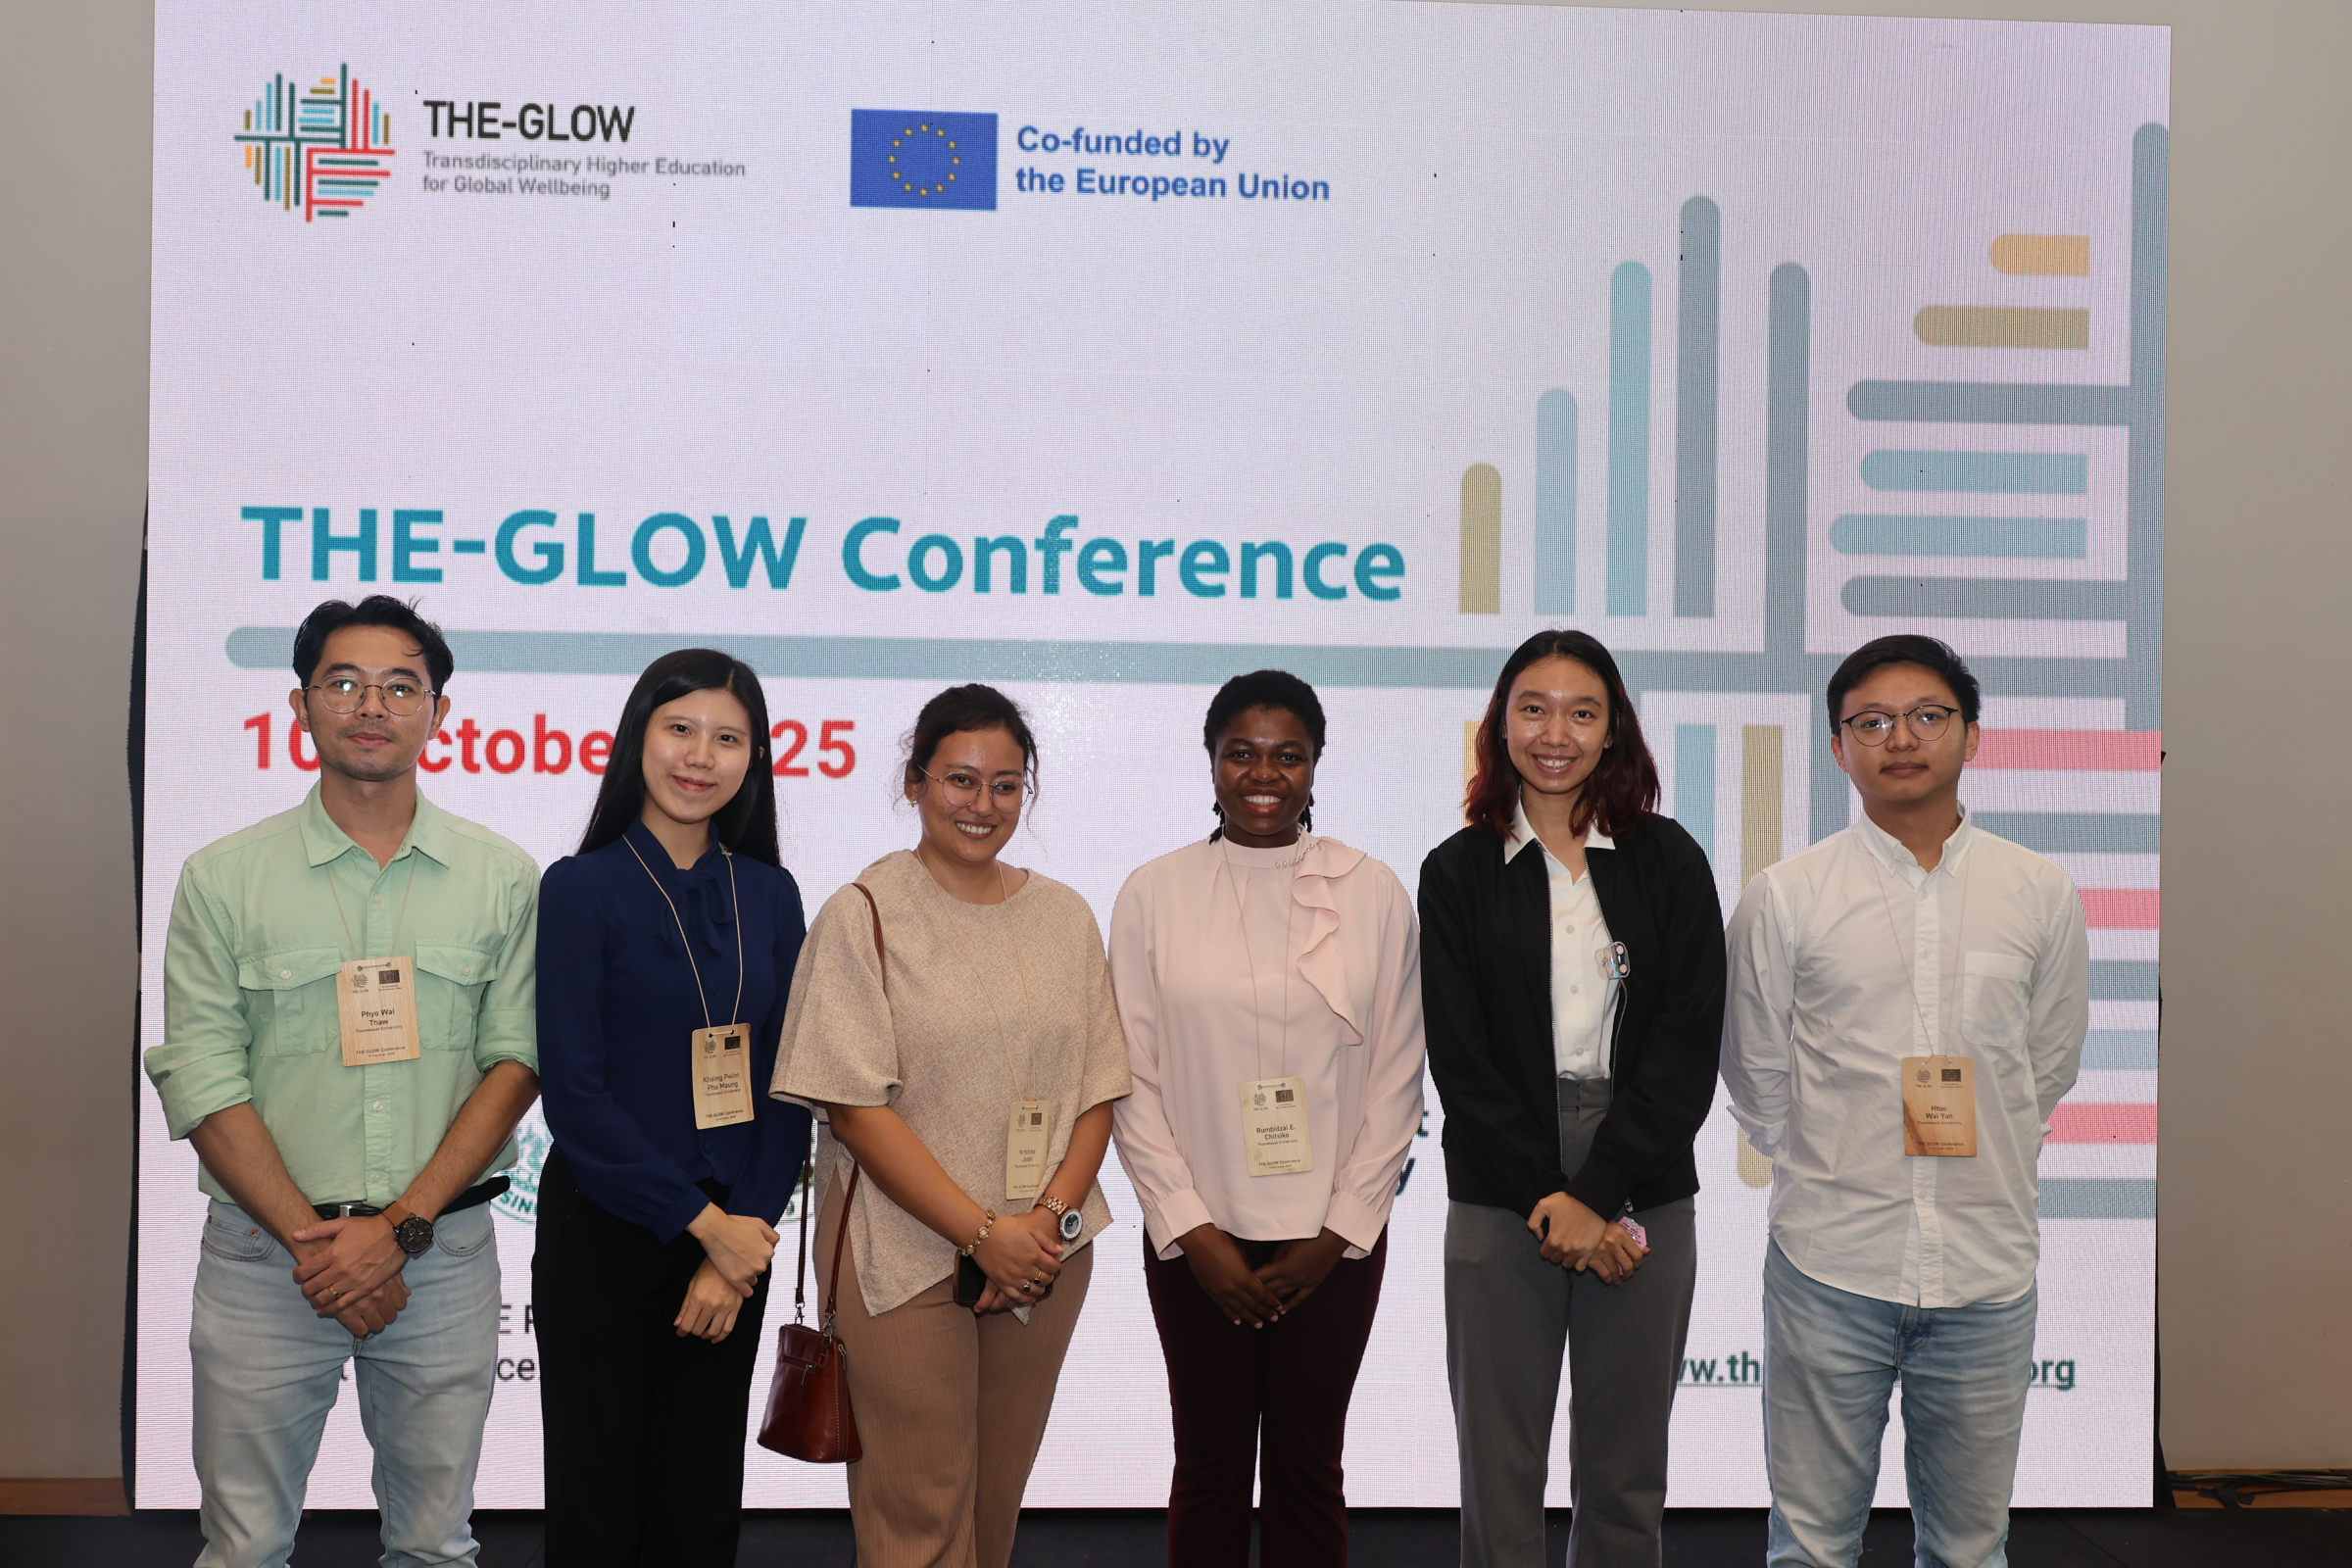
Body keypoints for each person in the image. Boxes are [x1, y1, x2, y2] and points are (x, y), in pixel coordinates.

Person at [145, 596, 540, 1568]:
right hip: (266, 1261)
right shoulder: (222, 877)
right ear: (300, 704)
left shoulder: (503, 878)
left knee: (436, 1547)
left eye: (401, 686)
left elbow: (518, 1061)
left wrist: (397, 1231)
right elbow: (201, 1073)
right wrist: (318, 1247)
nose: (372, 705)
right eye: (344, 683)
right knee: (243, 1549)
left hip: (438, 1257)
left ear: (438, 712)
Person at [1722, 634, 2088, 1568]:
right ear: (1837, 748)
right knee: (1810, 1548)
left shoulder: (2040, 892)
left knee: (1969, 1550)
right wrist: (1832, 1159)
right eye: (1872, 722)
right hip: (1830, 1262)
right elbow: (1756, 1072)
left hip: (1985, 1270)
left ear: (1973, 735)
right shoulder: (1787, 895)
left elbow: (2045, 1067)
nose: (1901, 739)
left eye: (1928, 716)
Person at [770, 683, 1132, 1568]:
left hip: (1043, 1253)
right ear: (916, 781)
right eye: (961, 780)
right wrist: (981, 1235)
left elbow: (1098, 1089)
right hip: (901, 1252)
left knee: (992, 1512)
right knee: (920, 1521)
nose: (983, 804)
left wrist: (1042, 1227)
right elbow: (855, 1109)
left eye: (1006, 785)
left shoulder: (1065, 914)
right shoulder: (865, 913)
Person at [1419, 628, 1726, 1568]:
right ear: (1500, 724)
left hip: (1641, 1177)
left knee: (1627, 1475)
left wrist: (1597, 1196)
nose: (1557, 734)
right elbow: (1462, 1062)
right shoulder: (1457, 870)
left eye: (1582, 713)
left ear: (1613, 730)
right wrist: (1549, 1198)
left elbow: (1686, 1046)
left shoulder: (1669, 860)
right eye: (1535, 709)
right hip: (1501, 1183)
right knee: (1498, 1470)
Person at [1109, 670, 1426, 1568]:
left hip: (1332, 1244)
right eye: (1241, 753)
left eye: (1288, 756)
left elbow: (1399, 1076)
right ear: (1210, 760)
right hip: (1196, 1241)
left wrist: (1338, 1234)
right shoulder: (1153, 891)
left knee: (1308, 1470)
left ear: (1316, 765)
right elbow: (1130, 1078)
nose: (1263, 775)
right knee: (1207, 1469)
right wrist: (1191, 1229)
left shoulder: (1373, 890)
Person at [532, 649, 813, 1566]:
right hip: (606, 1228)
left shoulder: (770, 893)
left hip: (736, 1232)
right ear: (637, 739)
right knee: (597, 1502)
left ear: (754, 758)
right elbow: (575, 1096)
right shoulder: (578, 887)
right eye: (680, 728)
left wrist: (740, 1240)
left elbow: (788, 1083)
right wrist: (707, 1228)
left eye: (728, 738)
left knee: (699, 1501)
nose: (700, 756)